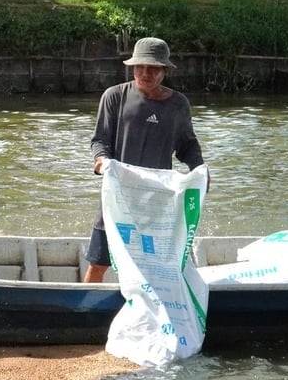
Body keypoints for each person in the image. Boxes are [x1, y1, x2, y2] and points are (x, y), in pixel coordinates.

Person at [83, 37, 205, 284]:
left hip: (156, 200)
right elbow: (100, 140)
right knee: (98, 264)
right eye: (140, 67)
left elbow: (188, 146)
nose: (145, 73)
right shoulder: (114, 96)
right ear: (132, 67)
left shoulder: (178, 104)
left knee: (159, 264)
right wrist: (101, 161)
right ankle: (85, 309)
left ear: (164, 71)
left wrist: (200, 170)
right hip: (118, 196)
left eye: (153, 68)